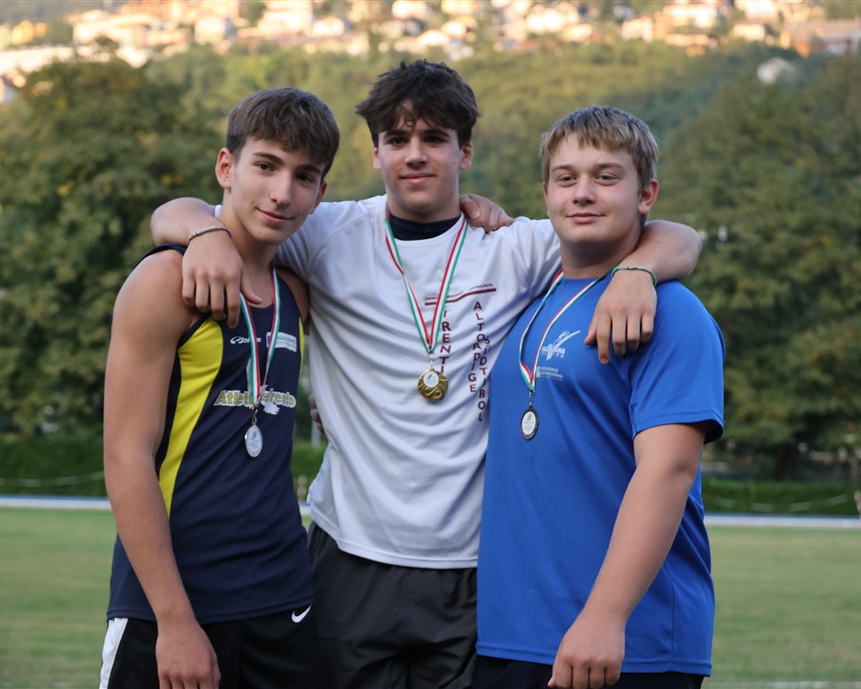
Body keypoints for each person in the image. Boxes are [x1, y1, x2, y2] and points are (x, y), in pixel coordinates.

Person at [150, 60, 703, 689]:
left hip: (475, 567)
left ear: (465, 151)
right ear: (376, 153)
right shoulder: (325, 231)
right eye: (398, 139)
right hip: (349, 553)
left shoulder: (518, 245)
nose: (416, 154)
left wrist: (637, 272)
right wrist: (206, 233)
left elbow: (675, 236)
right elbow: (174, 212)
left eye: (435, 138)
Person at [473, 105, 725, 689]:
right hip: (513, 635)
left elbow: (669, 472)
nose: (583, 193)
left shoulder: (672, 313)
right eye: (566, 178)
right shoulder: (532, 301)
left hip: (625, 643)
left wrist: (606, 616)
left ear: (646, 194)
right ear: (546, 194)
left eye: (606, 177)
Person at [100, 87, 339, 689]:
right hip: (173, 608)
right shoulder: (165, 280)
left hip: (284, 603)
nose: (282, 192)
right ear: (226, 168)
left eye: (303, 176)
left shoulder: (298, 292)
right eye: (266, 166)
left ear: (320, 193)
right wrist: (174, 620)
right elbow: (125, 456)